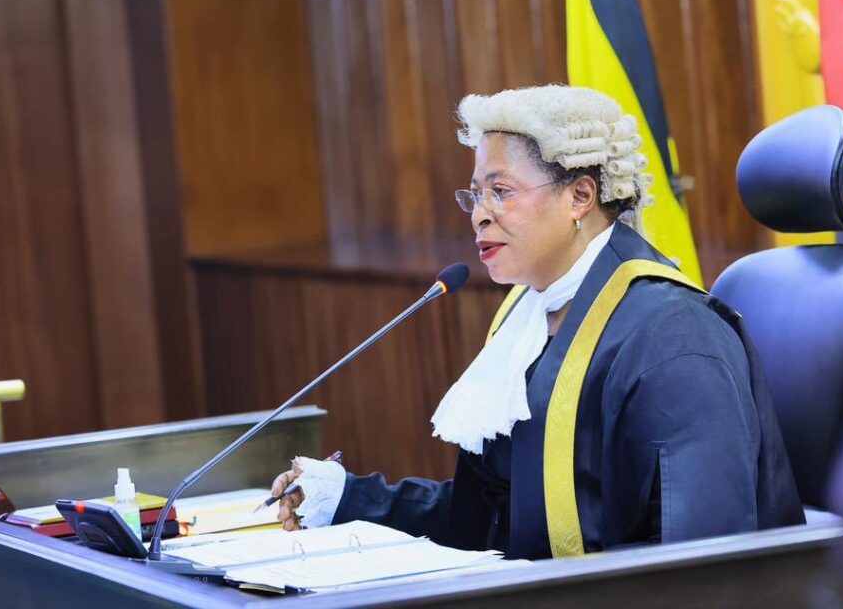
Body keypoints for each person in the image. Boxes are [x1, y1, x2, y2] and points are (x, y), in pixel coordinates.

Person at [270, 85, 804, 559]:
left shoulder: (674, 335)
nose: (479, 213)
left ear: (580, 196)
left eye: (501, 191)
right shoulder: (524, 320)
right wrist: (349, 496)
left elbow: (699, 562)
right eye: (476, 194)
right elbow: (499, 517)